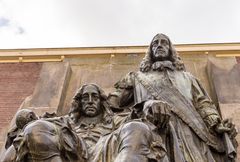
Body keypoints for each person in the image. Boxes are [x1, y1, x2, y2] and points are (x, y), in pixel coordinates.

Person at [108, 33, 237, 162]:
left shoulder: (188, 78)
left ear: (170, 49)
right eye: (155, 43)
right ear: (150, 51)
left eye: (164, 42)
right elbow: (113, 104)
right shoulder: (136, 78)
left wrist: (216, 123)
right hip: (155, 130)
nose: (159, 45)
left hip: (191, 132)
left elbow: (203, 103)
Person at [70, 84, 170, 162]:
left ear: (101, 102)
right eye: (85, 98)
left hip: (105, 151)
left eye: (95, 97)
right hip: (72, 153)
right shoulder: (66, 123)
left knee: (136, 127)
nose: (90, 101)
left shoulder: (116, 120)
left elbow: (140, 115)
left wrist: (149, 104)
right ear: (79, 102)